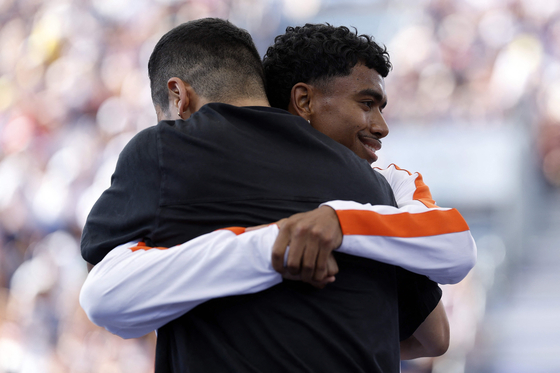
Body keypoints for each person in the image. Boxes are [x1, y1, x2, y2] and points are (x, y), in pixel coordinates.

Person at [80, 19, 476, 372]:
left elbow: (104, 298)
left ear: (178, 96)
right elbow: (434, 336)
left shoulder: (171, 150)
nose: (382, 127)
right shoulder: (376, 188)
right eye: (367, 104)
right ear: (301, 100)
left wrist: (305, 236)